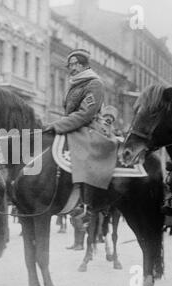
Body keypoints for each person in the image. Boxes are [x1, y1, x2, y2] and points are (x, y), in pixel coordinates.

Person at [45, 49, 118, 214]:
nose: (70, 68)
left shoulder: (94, 83)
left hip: (90, 127)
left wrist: (58, 125)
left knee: (82, 149)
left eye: (73, 64)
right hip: (74, 125)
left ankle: (86, 200)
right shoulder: (76, 83)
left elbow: (86, 114)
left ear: (82, 64)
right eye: (69, 65)